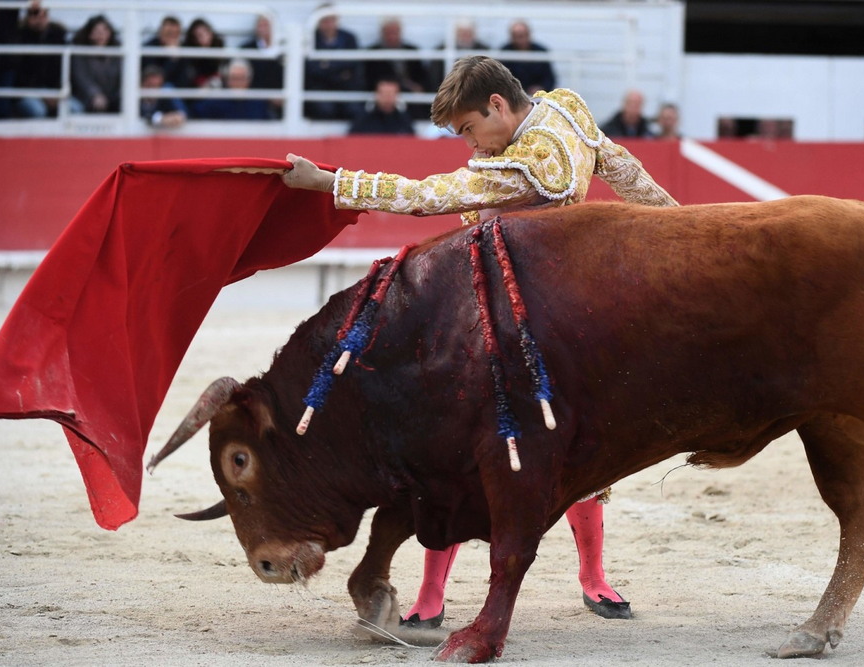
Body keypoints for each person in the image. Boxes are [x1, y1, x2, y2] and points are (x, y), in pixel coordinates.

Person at [281, 55, 677, 625]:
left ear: (496, 104)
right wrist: (682, 225)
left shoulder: (528, 163)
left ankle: (573, 578)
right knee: (570, 443)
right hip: (566, 311)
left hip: (500, 307)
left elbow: (424, 194)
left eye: (467, 128)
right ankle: (574, 579)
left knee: (472, 446)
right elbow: (624, 169)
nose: (468, 142)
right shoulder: (564, 106)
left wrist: (329, 182)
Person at [364, 17, 431, 120]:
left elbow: (422, 74)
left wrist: (419, 87)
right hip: (385, 91)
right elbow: (370, 77)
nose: (392, 36)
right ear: (382, 33)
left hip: (411, 93)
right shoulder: (373, 51)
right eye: (389, 32)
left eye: (395, 32)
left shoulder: (411, 50)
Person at [304, 6, 364, 120]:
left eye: (331, 20)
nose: (328, 24)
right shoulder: (310, 39)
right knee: (324, 109)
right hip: (321, 87)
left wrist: (326, 66)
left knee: (354, 108)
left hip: (346, 86)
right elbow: (311, 69)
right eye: (324, 20)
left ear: (337, 20)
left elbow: (353, 65)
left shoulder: (349, 38)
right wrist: (339, 70)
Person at [13, 1, 66, 118]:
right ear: (27, 17)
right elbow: (21, 75)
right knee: (38, 111)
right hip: (27, 92)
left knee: (75, 108)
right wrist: (42, 94)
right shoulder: (20, 37)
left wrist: (57, 93)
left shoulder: (58, 37)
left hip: (55, 92)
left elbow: (62, 70)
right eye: (35, 15)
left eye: (44, 15)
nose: (39, 20)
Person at [70, 14, 121, 114]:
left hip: (112, 98)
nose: (101, 35)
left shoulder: (118, 53)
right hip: (85, 98)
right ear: (90, 34)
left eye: (104, 31)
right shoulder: (80, 53)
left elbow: (121, 78)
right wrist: (95, 94)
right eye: (97, 31)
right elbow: (81, 78)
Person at [191, 58, 273, 120]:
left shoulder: (258, 103)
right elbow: (195, 112)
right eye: (234, 78)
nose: (237, 83)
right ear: (227, 80)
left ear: (249, 80)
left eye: (241, 78)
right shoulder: (217, 101)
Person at [241, 14, 284, 118]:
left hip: (281, 100)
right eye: (261, 25)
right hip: (255, 99)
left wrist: (281, 96)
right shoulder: (246, 50)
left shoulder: (284, 49)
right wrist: (267, 96)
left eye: (267, 25)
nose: (264, 28)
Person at [430, 19, 490, 89]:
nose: (465, 36)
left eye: (469, 33)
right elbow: (434, 78)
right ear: (455, 34)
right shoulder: (441, 50)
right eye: (462, 33)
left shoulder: (484, 50)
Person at [499, 20, 555, 95]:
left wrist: (541, 88)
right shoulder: (504, 52)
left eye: (522, 35)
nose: (519, 40)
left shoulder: (541, 52)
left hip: (537, 97)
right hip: (512, 96)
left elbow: (549, 78)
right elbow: (500, 79)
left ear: (528, 35)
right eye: (516, 36)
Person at [348, 78, 415, 135]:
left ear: (397, 95)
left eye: (391, 94)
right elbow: (351, 140)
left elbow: (413, 143)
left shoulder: (404, 120)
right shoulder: (364, 119)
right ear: (377, 94)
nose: (387, 98)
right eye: (384, 94)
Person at [141, 15, 190, 89]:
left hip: (177, 93)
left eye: (175, 34)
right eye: (169, 33)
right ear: (160, 31)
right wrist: (172, 60)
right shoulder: (149, 48)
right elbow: (155, 79)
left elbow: (184, 80)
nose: (172, 37)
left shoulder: (183, 49)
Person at [182, 17, 225, 89]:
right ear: (194, 39)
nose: (205, 36)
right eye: (199, 35)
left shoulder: (219, 47)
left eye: (206, 32)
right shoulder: (190, 54)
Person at [139, 64, 186, 128]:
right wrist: (160, 118)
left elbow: (182, 113)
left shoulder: (165, 94)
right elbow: (144, 116)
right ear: (142, 84)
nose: (153, 90)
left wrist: (176, 117)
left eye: (157, 86)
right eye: (150, 86)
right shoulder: (135, 97)